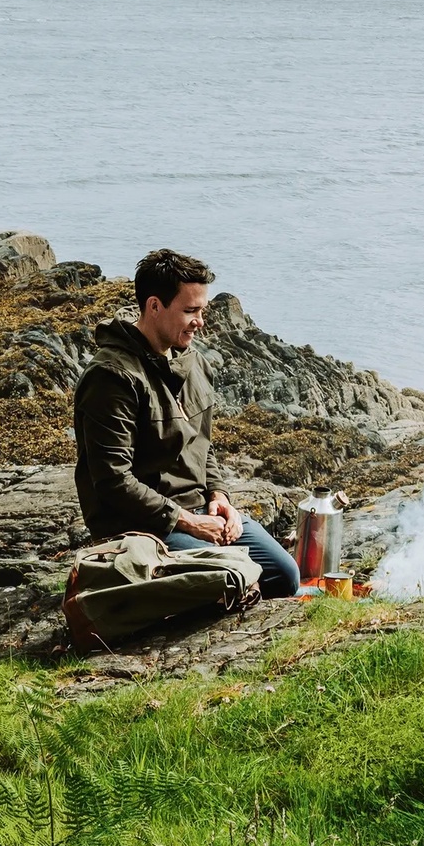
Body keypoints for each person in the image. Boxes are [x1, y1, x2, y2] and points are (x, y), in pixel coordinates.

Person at [73, 247, 301, 597]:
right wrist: (188, 521)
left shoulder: (194, 364)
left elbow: (201, 446)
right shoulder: (111, 377)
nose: (201, 321)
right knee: (231, 578)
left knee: (285, 576)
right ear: (154, 306)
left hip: (197, 511)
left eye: (202, 310)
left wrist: (219, 495)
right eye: (190, 311)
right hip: (142, 525)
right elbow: (113, 481)